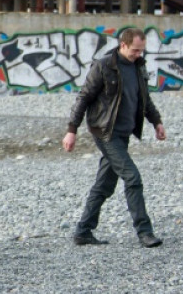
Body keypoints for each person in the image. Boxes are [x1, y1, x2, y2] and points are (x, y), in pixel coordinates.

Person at [62, 28, 166, 248]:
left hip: (124, 133)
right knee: (133, 178)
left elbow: (144, 99)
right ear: (123, 45)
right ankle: (144, 232)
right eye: (135, 50)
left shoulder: (139, 66)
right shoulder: (103, 66)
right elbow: (84, 97)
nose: (139, 54)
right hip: (105, 132)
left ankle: (83, 231)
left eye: (142, 50)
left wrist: (156, 122)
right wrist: (72, 129)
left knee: (104, 185)